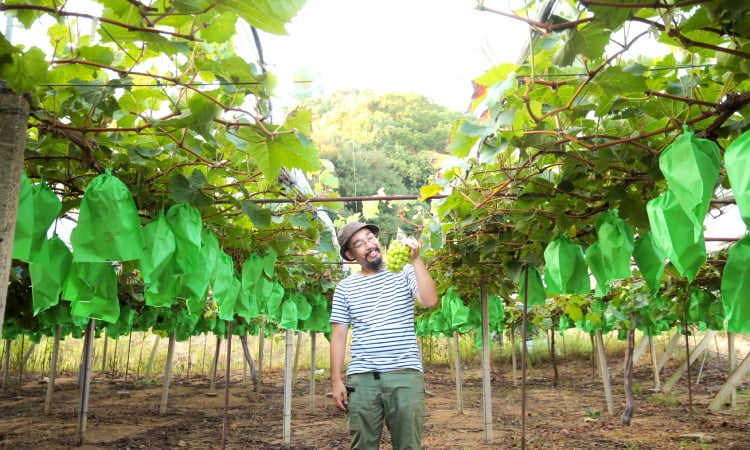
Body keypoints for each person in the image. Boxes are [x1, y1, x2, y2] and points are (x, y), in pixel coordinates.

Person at [329, 221, 438, 450]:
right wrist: (336, 380)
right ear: (350, 254)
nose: (369, 245)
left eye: (370, 238)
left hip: (405, 376)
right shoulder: (345, 288)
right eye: (360, 243)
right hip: (362, 380)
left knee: (408, 445)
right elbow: (338, 336)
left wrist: (417, 260)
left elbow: (429, 300)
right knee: (362, 446)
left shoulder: (405, 272)